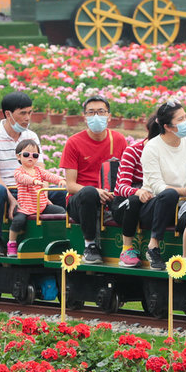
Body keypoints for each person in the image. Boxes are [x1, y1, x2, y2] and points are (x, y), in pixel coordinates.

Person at [59, 95, 127, 265]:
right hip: (82, 200)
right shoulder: (73, 143)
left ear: (109, 116)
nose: (96, 116)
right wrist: (96, 192)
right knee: (88, 192)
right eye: (91, 112)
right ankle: (90, 245)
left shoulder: (119, 140)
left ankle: (130, 248)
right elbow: (71, 185)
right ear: (85, 117)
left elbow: (125, 175)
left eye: (101, 112)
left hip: (111, 197)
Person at [0, 91, 40, 256]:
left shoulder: (31, 136)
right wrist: (13, 200)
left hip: (24, 190)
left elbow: (40, 170)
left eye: (30, 112)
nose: (27, 118)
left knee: (62, 193)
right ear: (8, 114)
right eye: (23, 113)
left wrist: (41, 193)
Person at [134, 99, 186, 272]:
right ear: (168, 127)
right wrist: (183, 191)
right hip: (155, 204)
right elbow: (158, 187)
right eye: (180, 119)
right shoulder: (152, 148)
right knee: (169, 194)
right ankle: (153, 246)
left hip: (185, 202)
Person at [8, 139, 65, 256]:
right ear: (18, 157)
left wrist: (60, 179)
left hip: (41, 205)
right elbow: (23, 179)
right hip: (25, 207)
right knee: (18, 221)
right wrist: (34, 181)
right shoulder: (18, 172)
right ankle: (12, 243)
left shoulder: (39, 170)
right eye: (26, 154)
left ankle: (58, 237)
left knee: (61, 212)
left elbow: (50, 176)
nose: (30, 157)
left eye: (34, 155)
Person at [110, 134, 149, 267]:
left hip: (148, 201)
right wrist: (137, 191)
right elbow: (121, 187)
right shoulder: (133, 151)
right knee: (134, 200)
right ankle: (126, 250)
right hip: (124, 203)